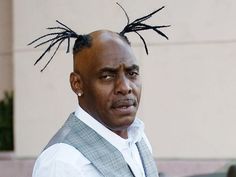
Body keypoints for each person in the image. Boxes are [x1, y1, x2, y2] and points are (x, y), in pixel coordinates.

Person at [30, 4, 169, 177]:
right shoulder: (62, 163)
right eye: (107, 76)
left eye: (132, 73)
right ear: (77, 84)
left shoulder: (137, 137)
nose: (125, 87)